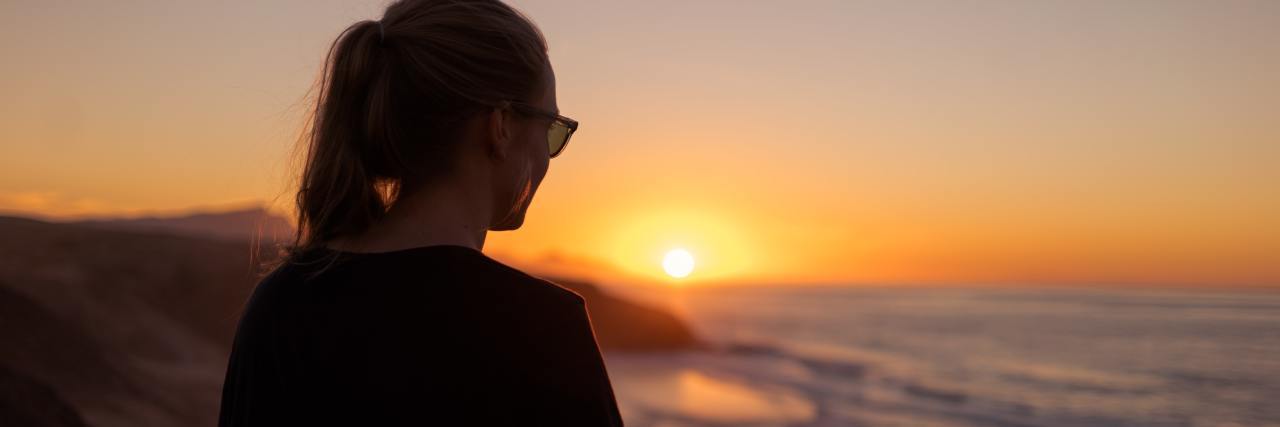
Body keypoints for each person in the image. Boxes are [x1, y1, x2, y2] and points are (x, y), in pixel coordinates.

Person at [217, 0, 621, 425]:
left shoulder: (283, 304)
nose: (548, 155)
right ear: (500, 126)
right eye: (552, 128)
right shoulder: (545, 327)